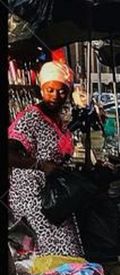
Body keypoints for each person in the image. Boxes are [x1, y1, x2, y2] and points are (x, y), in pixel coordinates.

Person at [7, 61, 84, 258]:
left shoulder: (58, 119)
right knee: (50, 252)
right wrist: (39, 165)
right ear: (41, 89)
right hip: (33, 198)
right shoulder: (30, 119)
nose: (55, 96)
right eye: (50, 90)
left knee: (68, 248)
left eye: (61, 92)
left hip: (53, 196)